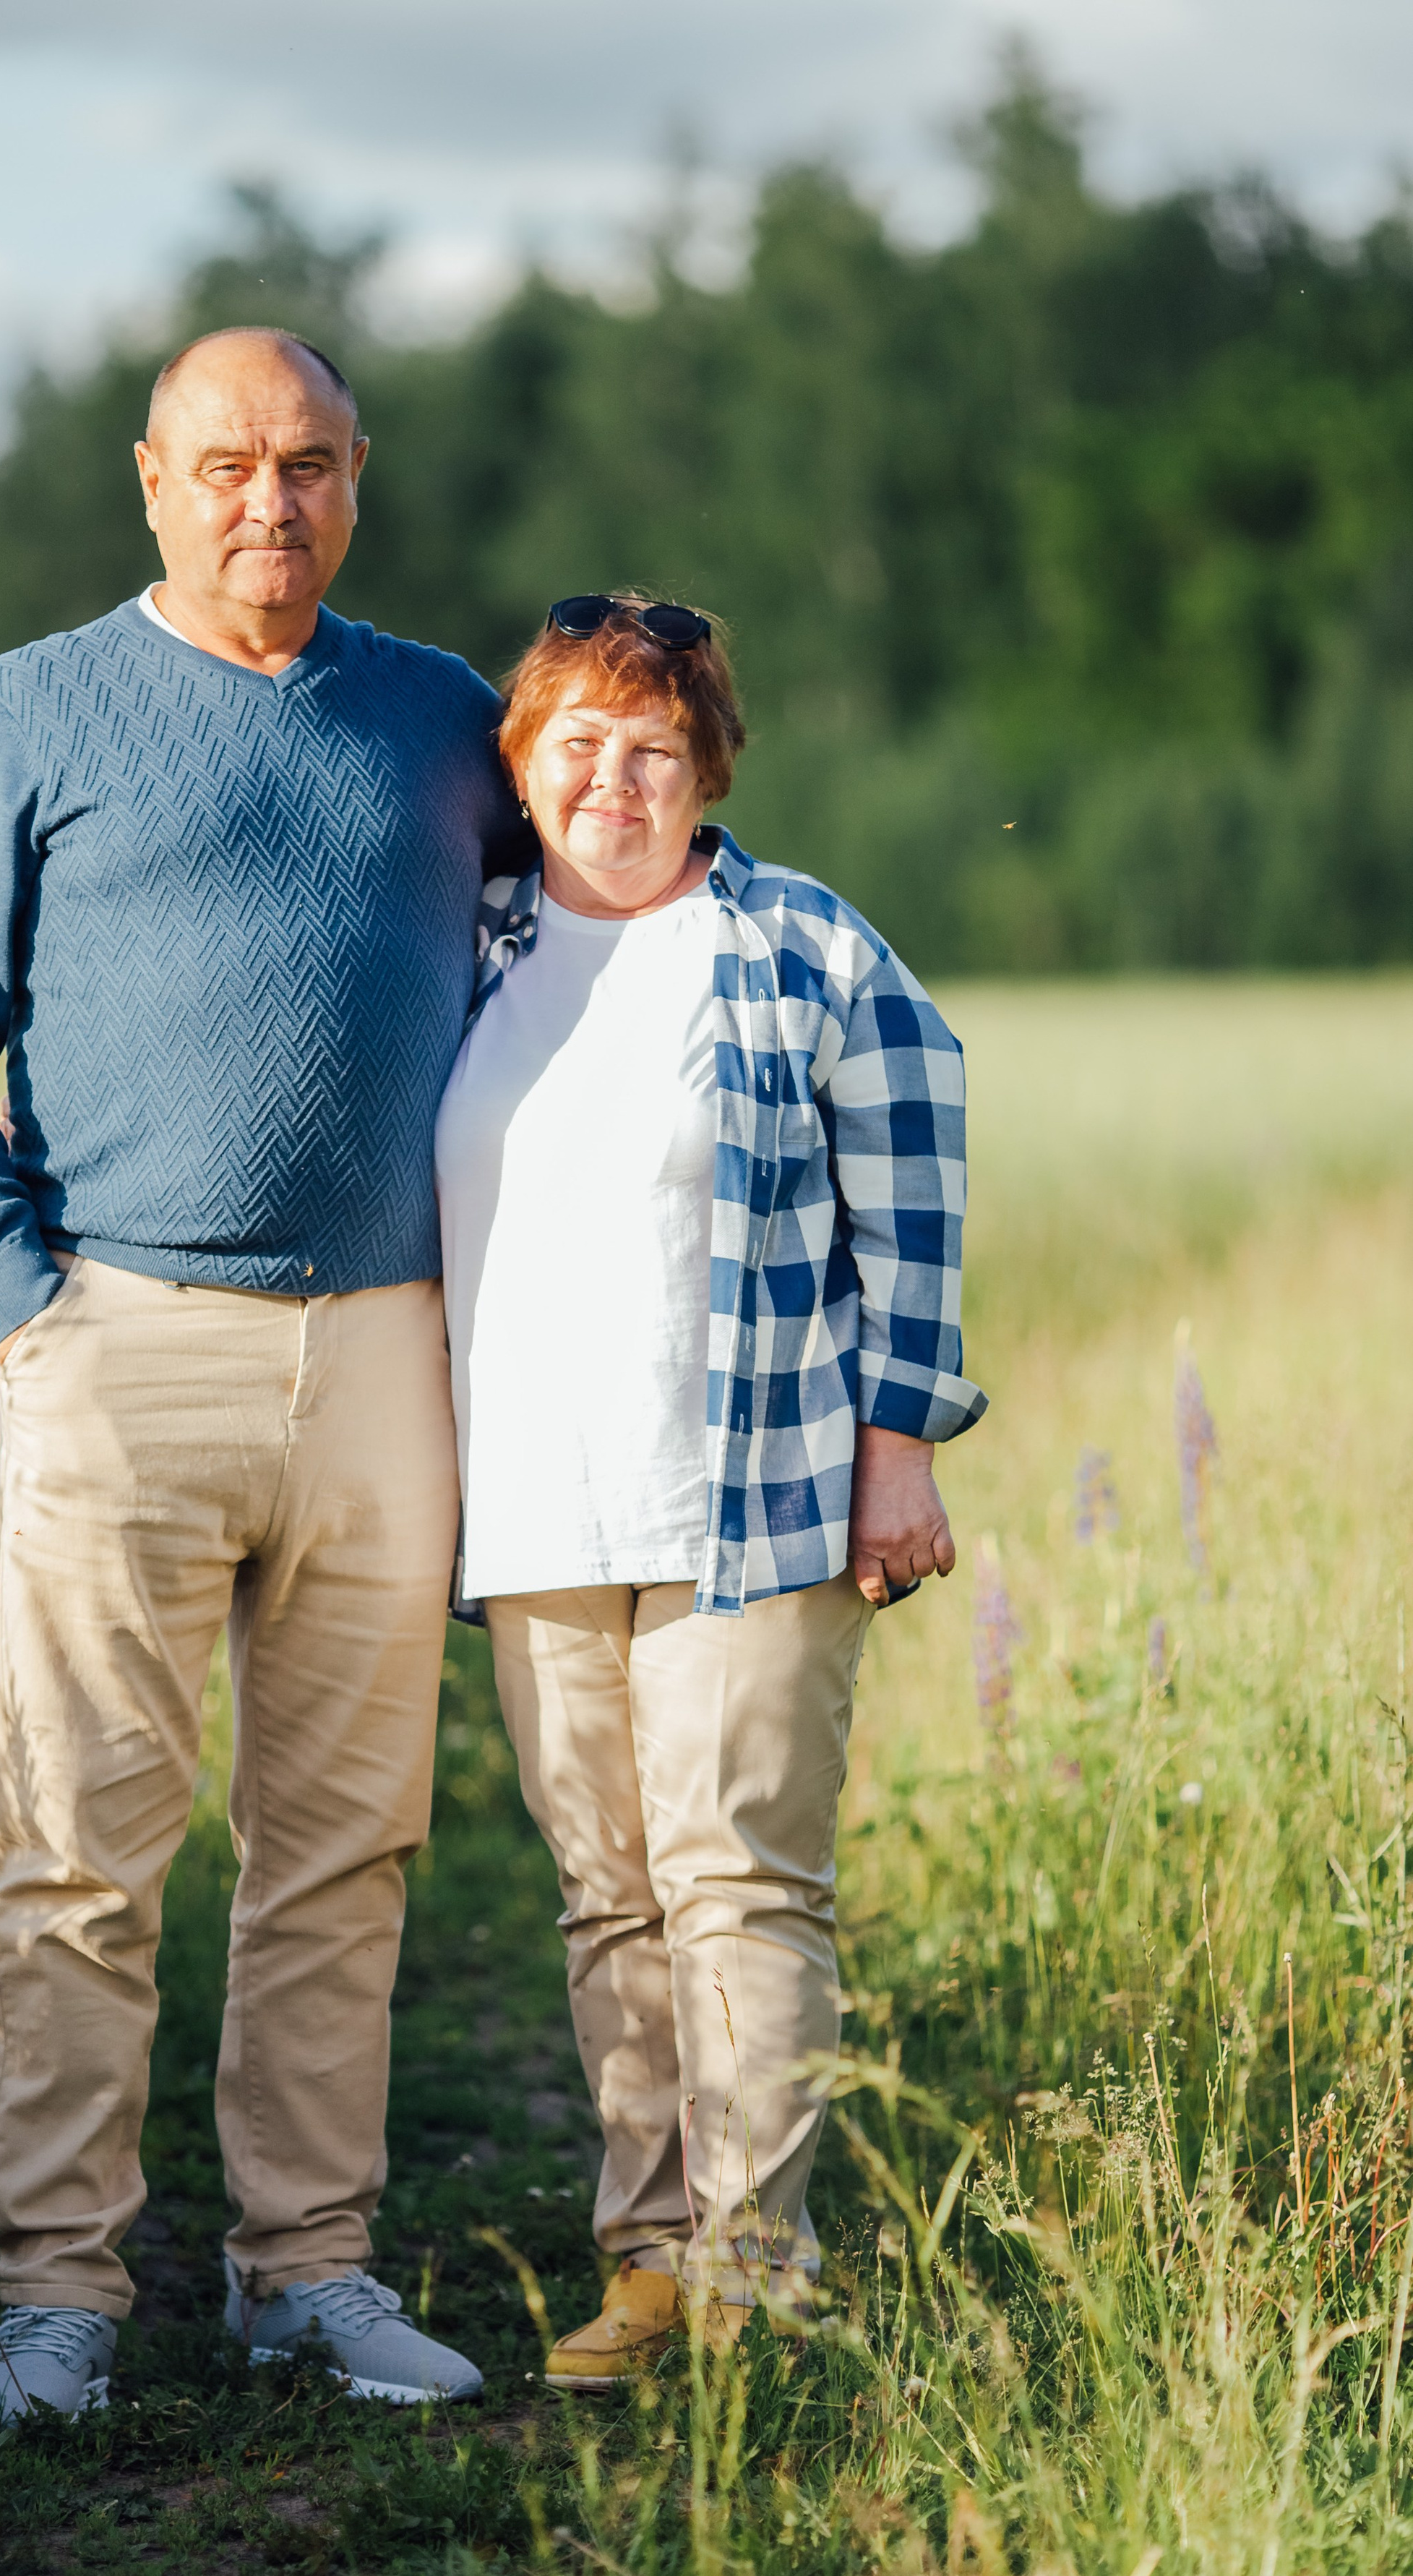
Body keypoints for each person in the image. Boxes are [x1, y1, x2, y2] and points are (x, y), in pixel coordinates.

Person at [0, 327, 525, 2421]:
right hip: (117, 1337)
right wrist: (21, 1299)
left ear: (358, 473)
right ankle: (57, 2295)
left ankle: (304, 2270)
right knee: (76, 1847)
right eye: (227, 461)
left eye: (310, 461)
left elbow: (601, 902)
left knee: (344, 1849)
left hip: (391, 1356)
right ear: (151, 476)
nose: (271, 500)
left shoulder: (438, 719)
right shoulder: (31, 711)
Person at [434, 594, 984, 2387]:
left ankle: (759, 2273)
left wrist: (896, 1445)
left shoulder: (802, 951)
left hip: (754, 1491)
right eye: (574, 743)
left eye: (650, 748)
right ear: (519, 766)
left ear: (705, 770)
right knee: (607, 1893)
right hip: (536, 1501)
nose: (610, 778)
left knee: (738, 1880)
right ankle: (647, 2265)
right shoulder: (468, 949)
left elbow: (912, 1201)